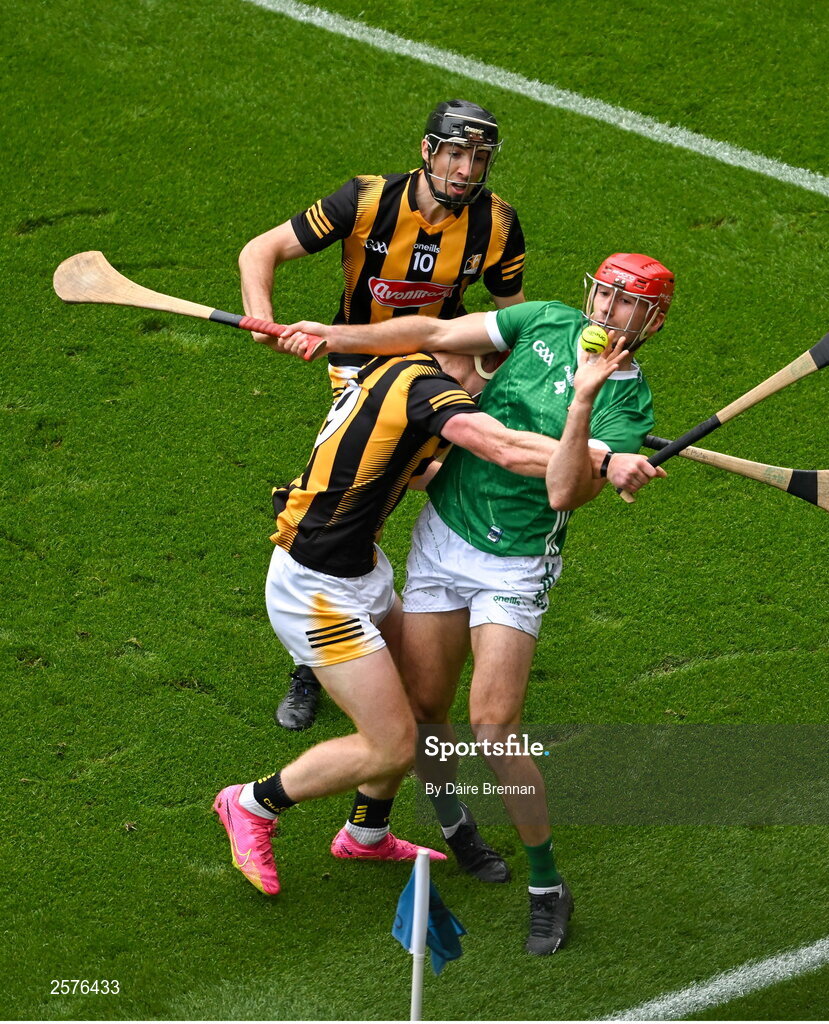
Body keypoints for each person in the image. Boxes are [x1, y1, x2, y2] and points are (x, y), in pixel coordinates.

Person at [278, 252, 674, 954]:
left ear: (652, 320)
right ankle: (456, 825)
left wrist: (584, 399)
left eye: (625, 303)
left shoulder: (626, 404)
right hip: (442, 539)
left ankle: (547, 885)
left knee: (493, 728)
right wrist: (333, 335)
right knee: (427, 710)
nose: (607, 312)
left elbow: (562, 492)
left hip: (515, 563)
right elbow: (428, 332)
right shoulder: (544, 319)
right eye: (604, 294)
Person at [213, 338, 651, 899]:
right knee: (392, 744)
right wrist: (604, 458)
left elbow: (426, 472)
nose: (489, 385)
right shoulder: (423, 386)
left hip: (361, 573)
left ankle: (366, 831)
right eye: (486, 368)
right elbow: (503, 448)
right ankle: (252, 803)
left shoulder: (400, 380)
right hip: (315, 591)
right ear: (454, 352)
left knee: (418, 705)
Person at [239, 99, 527, 732]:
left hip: (433, 372)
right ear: (428, 151)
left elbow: (511, 324)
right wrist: (261, 314)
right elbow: (260, 251)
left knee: (414, 487)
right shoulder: (365, 200)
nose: (467, 168)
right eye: (456, 153)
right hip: (355, 362)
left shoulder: (497, 224)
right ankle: (312, 657)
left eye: (479, 157)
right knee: (351, 499)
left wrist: (484, 375)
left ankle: (397, 626)